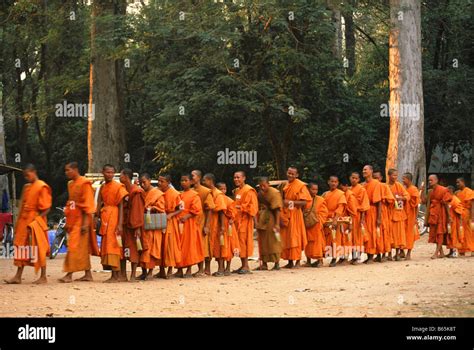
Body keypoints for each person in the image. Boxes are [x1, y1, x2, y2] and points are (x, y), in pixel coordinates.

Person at [5, 164, 52, 284]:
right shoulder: (26, 187)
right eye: (25, 176)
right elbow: (21, 205)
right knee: (21, 246)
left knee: (39, 247)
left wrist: (37, 220)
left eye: (28, 175)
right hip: (24, 221)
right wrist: (17, 222)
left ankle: (43, 276)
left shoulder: (42, 186)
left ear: (34, 172)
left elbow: (47, 208)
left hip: (36, 221)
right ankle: (18, 276)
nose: (26, 178)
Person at [59, 162, 99, 283]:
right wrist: (68, 220)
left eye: (68, 170)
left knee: (73, 246)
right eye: (65, 171)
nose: (66, 173)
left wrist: (85, 224)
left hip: (82, 220)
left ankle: (69, 274)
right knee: (82, 248)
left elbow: (88, 205)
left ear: (75, 169)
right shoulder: (70, 184)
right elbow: (72, 203)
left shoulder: (85, 183)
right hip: (73, 218)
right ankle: (88, 274)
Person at [96, 164, 128, 282]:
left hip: (114, 216)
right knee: (107, 243)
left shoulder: (118, 186)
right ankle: (114, 274)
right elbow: (100, 203)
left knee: (114, 243)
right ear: (102, 172)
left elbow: (120, 206)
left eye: (112, 173)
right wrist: (97, 217)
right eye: (107, 172)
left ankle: (116, 275)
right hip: (105, 217)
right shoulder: (103, 187)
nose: (109, 174)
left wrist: (119, 224)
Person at [175, 174, 204, 278]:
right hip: (179, 223)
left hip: (189, 224)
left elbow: (197, 210)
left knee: (189, 246)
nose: (183, 182)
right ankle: (179, 269)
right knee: (179, 246)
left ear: (191, 182)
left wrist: (187, 216)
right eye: (182, 180)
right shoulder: (179, 194)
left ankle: (189, 269)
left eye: (186, 180)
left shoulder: (194, 195)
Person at [119, 169, 145, 281]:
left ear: (126, 176)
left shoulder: (136, 191)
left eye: (121, 175)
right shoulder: (122, 189)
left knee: (133, 249)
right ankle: (123, 274)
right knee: (123, 248)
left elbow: (137, 210)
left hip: (133, 225)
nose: (120, 177)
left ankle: (133, 274)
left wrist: (137, 227)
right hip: (123, 224)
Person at [156, 174, 183, 278]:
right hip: (159, 221)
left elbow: (181, 208)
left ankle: (170, 269)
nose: (159, 183)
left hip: (170, 222)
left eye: (162, 181)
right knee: (161, 245)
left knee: (170, 245)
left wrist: (171, 214)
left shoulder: (175, 193)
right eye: (159, 181)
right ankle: (161, 270)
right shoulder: (157, 193)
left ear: (168, 182)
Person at [139, 173, 165, 280]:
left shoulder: (157, 193)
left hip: (153, 225)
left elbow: (162, 207)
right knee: (143, 248)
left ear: (149, 180)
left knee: (152, 249)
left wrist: (153, 207)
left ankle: (150, 272)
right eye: (141, 182)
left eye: (144, 182)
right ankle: (144, 272)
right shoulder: (140, 193)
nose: (142, 184)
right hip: (143, 224)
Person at [232, 171, 258, 274]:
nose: (236, 179)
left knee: (243, 241)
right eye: (234, 177)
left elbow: (253, 208)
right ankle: (243, 265)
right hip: (237, 220)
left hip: (245, 221)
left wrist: (239, 207)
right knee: (239, 242)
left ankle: (246, 266)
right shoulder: (237, 191)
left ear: (244, 178)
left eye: (238, 177)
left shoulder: (249, 190)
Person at [203, 173, 229, 277]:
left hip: (217, 224)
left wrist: (222, 226)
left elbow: (222, 210)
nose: (203, 183)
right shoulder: (207, 192)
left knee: (219, 246)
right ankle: (207, 269)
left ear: (210, 181)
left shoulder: (218, 194)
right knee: (208, 246)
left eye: (204, 180)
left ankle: (221, 268)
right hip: (208, 222)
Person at [421, 174, 452, 259]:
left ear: (436, 180)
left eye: (431, 180)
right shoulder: (430, 191)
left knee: (440, 233)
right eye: (429, 180)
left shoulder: (443, 190)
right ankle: (441, 252)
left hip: (441, 214)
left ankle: (436, 252)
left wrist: (449, 216)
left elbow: (446, 203)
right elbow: (424, 201)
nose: (430, 182)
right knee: (435, 233)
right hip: (433, 214)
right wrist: (422, 191)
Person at [191, 170, 215, 276]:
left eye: (193, 175)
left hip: (203, 221)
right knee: (197, 246)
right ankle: (200, 269)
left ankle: (206, 269)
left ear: (199, 177)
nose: (192, 177)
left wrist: (206, 225)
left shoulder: (205, 191)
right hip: (193, 222)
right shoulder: (191, 191)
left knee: (204, 246)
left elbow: (209, 209)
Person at [255, 177, 282, 271]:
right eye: (260, 186)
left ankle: (277, 263)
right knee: (263, 241)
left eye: (264, 185)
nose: (262, 187)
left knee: (273, 241)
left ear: (268, 184)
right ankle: (264, 264)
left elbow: (277, 209)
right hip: (262, 217)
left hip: (272, 218)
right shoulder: (259, 194)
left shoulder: (274, 192)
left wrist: (277, 224)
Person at [322, 175, 347, 267]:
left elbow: (340, 207)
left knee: (335, 239)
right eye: (332, 181)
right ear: (328, 182)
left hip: (336, 218)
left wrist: (335, 219)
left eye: (335, 182)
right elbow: (322, 206)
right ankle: (327, 256)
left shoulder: (340, 194)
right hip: (327, 218)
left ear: (338, 183)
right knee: (328, 239)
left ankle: (334, 258)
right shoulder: (325, 194)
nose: (333, 183)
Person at [217, 182, 240, 275]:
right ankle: (221, 268)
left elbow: (233, 212)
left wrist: (232, 218)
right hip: (220, 225)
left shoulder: (229, 200)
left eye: (224, 189)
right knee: (221, 246)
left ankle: (228, 268)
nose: (223, 191)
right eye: (221, 189)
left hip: (228, 226)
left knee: (229, 246)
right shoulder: (218, 199)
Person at [387, 168, 410, 261]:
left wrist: (400, 198)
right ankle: (388, 254)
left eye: (396, 175)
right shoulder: (386, 186)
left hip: (398, 213)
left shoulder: (399, 185)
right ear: (389, 176)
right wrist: (391, 200)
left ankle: (397, 254)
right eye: (393, 175)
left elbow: (407, 196)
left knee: (398, 234)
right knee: (389, 234)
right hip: (389, 212)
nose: (395, 177)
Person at [304, 183, 328, 267]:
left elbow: (324, 212)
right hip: (307, 224)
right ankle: (308, 260)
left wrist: (319, 221)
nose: (315, 191)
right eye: (313, 189)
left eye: (316, 189)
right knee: (307, 243)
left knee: (318, 242)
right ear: (308, 189)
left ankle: (320, 260)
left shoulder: (320, 199)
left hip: (317, 225)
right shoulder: (304, 200)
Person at [362, 165, 382, 264]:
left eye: (365, 169)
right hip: (363, 212)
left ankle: (371, 256)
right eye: (363, 170)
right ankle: (368, 255)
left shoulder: (376, 183)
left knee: (372, 233)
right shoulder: (362, 185)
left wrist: (379, 217)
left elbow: (379, 202)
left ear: (371, 171)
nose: (364, 171)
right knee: (365, 234)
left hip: (372, 211)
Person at [373, 170, 394, 262]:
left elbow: (391, 199)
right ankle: (377, 254)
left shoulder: (384, 186)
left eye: (377, 178)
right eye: (374, 178)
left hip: (384, 213)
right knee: (376, 234)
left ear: (381, 178)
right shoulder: (373, 186)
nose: (376, 180)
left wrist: (383, 198)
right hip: (374, 212)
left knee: (385, 233)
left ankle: (384, 254)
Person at [349, 172, 370, 264]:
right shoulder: (349, 190)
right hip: (350, 216)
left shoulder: (362, 189)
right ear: (350, 178)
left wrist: (362, 219)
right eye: (352, 178)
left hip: (358, 216)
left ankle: (358, 257)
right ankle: (353, 257)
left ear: (359, 180)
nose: (354, 180)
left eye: (356, 178)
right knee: (352, 238)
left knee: (358, 237)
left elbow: (364, 205)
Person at [402, 172, 420, 260]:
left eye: (404, 179)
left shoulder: (414, 189)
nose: (402, 180)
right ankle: (401, 252)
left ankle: (408, 253)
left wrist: (416, 218)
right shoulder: (403, 189)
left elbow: (416, 205)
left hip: (411, 215)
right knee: (402, 233)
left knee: (409, 234)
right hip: (403, 214)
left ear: (408, 180)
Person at [339, 178, 358, 264]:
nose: (341, 190)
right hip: (343, 220)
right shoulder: (344, 194)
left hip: (351, 219)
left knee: (352, 239)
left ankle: (355, 258)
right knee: (344, 240)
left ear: (346, 186)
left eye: (342, 188)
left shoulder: (350, 196)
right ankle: (343, 257)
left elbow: (353, 211)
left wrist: (350, 223)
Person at [455, 177, 474, 256]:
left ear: (463, 182)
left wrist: (472, 217)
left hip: (468, 215)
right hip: (459, 215)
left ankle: (472, 249)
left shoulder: (469, 191)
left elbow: (472, 206)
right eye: (456, 183)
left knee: (470, 233)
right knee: (460, 232)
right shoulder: (457, 193)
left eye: (458, 182)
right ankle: (461, 250)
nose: (457, 184)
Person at [446, 186, 463, 257]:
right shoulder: (448, 199)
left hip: (454, 221)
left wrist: (460, 223)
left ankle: (455, 253)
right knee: (449, 236)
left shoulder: (455, 199)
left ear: (451, 191)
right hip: (449, 222)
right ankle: (450, 251)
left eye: (447, 191)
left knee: (454, 236)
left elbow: (460, 210)